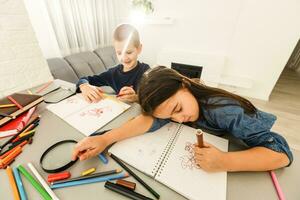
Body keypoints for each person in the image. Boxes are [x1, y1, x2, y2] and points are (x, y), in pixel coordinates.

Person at [72, 66, 293, 172]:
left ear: (184, 84)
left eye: (177, 108)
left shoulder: (223, 110)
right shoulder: (176, 105)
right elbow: (150, 120)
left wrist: (225, 162)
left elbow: (282, 153)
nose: (179, 119)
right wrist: (105, 139)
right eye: (170, 116)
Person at [76, 23, 149, 103]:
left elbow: (155, 96)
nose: (124, 58)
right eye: (119, 53)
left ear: (139, 49)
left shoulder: (147, 71)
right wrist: (84, 86)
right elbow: (84, 79)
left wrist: (136, 98)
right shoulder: (112, 74)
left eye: (128, 52)